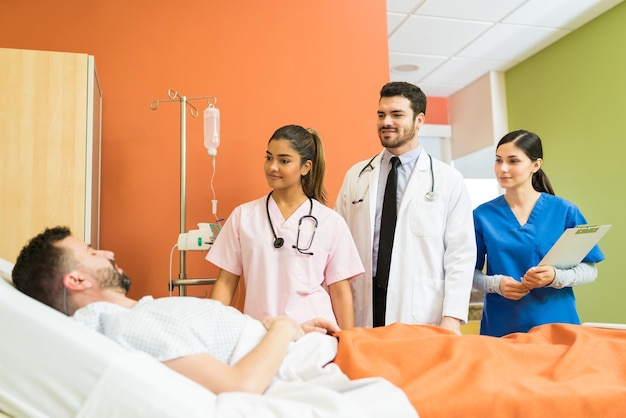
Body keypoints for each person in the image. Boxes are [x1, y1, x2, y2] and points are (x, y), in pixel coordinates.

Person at [335, 81, 476, 332]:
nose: (386, 121)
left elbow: (461, 254)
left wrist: (452, 318)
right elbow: (337, 247)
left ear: (419, 120)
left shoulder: (447, 180)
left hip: (420, 307)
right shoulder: (356, 176)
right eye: (381, 114)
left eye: (397, 114)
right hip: (364, 303)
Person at [207, 124, 363, 329]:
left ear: (305, 167)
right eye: (269, 157)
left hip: (314, 335)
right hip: (259, 332)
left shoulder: (330, 222)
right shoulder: (243, 216)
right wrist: (208, 329)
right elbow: (225, 283)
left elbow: (340, 292)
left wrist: (348, 342)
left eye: (284, 161)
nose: (272, 166)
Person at [472, 129, 605, 337]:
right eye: (498, 160)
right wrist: (495, 284)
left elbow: (590, 269)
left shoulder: (565, 211)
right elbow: (468, 273)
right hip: (503, 327)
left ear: (536, 165)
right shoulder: (482, 216)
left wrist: (556, 276)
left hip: (558, 325)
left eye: (513, 161)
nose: (502, 169)